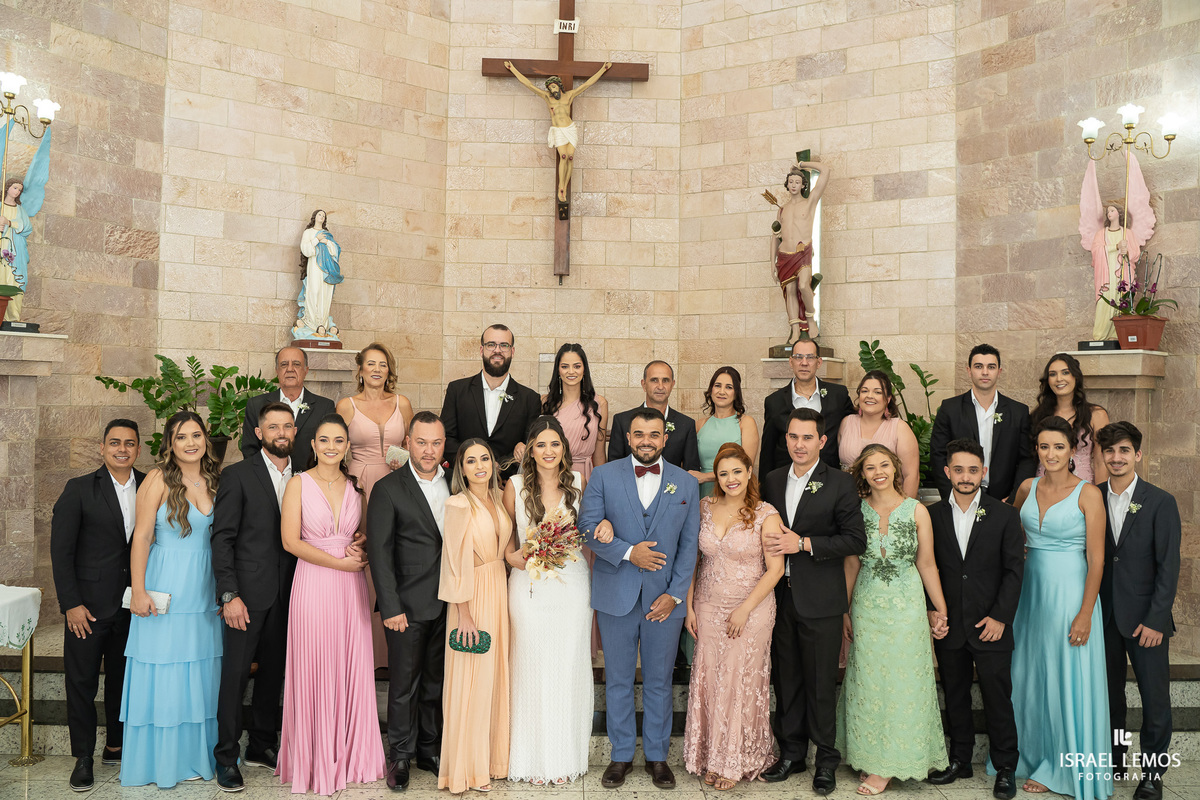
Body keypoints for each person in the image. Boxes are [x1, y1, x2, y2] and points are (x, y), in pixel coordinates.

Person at [581, 408, 700, 790]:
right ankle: (619, 756)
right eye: (638, 435)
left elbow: (689, 547)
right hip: (616, 595)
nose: (646, 441)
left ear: (665, 438)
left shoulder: (685, 483)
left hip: (664, 601)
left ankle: (657, 756)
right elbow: (587, 527)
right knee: (617, 679)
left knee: (660, 681)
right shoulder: (603, 475)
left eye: (653, 434)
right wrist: (630, 553)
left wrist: (676, 596)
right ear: (628, 438)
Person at [759, 408, 866, 795]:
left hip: (820, 598)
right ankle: (791, 753)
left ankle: (825, 760)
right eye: (792, 437)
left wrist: (803, 544)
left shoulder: (839, 483)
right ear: (785, 439)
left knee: (821, 682)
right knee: (786, 679)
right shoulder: (770, 480)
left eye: (807, 438)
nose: (799, 444)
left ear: (823, 441)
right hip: (778, 596)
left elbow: (856, 540)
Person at [276, 415, 385, 795]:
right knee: (317, 663)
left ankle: (353, 755)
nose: (331, 446)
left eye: (339, 440)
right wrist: (340, 562)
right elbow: (291, 541)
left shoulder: (358, 488)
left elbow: (364, 537)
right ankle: (314, 757)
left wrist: (362, 548)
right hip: (314, 583)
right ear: (313, 444)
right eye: (324, 439)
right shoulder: (297, 484)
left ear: (347, 446)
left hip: (353, 587)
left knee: (350, 665)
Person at [1009, 417, 1112, 799]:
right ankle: (1031, 755)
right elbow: (1012, 537)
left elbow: (1097, 560)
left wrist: (1085, 613)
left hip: (1071, 592)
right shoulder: (1025, 487)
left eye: (1058, 447)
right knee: (1030, 675)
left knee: (1065, 678)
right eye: (1043, 447)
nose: (1050, 454)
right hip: (1029, 592)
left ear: (1073, 450)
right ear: (1036, 449)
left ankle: (1063, 767)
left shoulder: (1088, 494)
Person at [837, 444, 949, 796]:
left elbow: (927, 562)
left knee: (903, 682)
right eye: (870, 467)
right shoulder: (857, 511)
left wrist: (940, 607)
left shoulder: (916, 510)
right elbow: (852, 562)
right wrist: (845, 608)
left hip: (906, 606)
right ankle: (872, 755)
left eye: (884, 464)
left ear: (895, 467)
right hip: (867, 604)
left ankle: (893, 763)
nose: (878, 471)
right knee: (869, 681)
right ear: (863, 474)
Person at [120, 411, 223, 788]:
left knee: (200, 671)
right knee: (165, 671)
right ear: (170, 442)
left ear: (205, 439)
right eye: (182, 437)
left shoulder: (215, 478)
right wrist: (139, 591)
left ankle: (198, 756)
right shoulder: (158, 479)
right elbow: (142, 537)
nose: (190, 443)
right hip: (165, 588)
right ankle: (160, 762)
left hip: (205, 589)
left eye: (196, 435)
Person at [926, 439, 1024, 799]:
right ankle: (960, 760)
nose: (965, 477)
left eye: (973, 470)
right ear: (948, 471)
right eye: (958, 469)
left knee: (998, 697)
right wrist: (932, 611)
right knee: (954, 695)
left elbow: (1015, 571)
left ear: (983, 473)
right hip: (950, 625)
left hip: (991, 625)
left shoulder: (1004, 515)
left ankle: (1005, 767)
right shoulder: (932, 515)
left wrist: (1000, 617)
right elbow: (926, 567)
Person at [682, 443, 783, 790]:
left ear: (749, 472)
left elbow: (775, 570)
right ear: (717, 477)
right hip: (708, 605)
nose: (730, 479)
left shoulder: (766, 514)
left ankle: (736, 761)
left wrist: (744, 609)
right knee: (711, 679)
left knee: (740, 682)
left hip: (751, 608)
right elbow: (695, 558)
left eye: (737, 472)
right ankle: (711, 755)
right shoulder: (704, 507)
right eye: (723, 473)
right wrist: (689, 604)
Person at [51, 420, 145, 792]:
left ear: (139, 449)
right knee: (81, 683)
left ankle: (115, 746)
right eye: (115, 443)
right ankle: (83, 757)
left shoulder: (151, 485)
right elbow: (61, 553)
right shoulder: (78, 490)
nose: (122, 449)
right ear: (102, 448)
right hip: (86, 609)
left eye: (130, 443)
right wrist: (71, 603)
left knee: (124, 681)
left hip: (131, 607)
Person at [210, 402, 298, 792]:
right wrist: (229, 594)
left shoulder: (306, 477)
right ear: (259, 433)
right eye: (273, 427)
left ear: (295, 432)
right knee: (234, 677)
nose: (281, 433)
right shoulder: (237, 475)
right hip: (246, 595)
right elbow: (222, 538)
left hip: (291, 594)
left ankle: (263, 744)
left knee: (274, 675)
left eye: (288, 426)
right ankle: (226, 756)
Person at [366, 412, 452, 791]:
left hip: (448, 602)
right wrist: (391, 606)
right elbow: (380, 555)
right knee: (403, 685)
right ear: (408, 442)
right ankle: (400, 754)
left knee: (436, 682)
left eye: (435, 443)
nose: (428, 450)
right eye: (421, 442)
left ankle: (430, 749)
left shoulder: (457, 485)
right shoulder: (388, 488)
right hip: (407, 605)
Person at [503, 417, 591, 785]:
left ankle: (564, 757)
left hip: (570, 586)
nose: (549, 451)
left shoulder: (580, 483)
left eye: (555, 444)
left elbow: (588, 532)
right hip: (529, 585)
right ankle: (533, 759)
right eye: (541, 444)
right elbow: (506, 537)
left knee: (568, 665)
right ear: (530, 449)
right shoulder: (514, 485)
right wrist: (512, 558)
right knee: (531, 664)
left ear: (564, 449)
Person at [1098, 423, 1180, 800]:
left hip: (1147, 619)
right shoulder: (1091, 496)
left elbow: (1169, 566)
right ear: (1102, 455)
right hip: (1104, 617)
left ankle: (1152, 773)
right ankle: (1115, 759)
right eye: (1110, 451)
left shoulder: (1160, 501)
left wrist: (1156, 619)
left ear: (1138, 455)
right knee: (1111, 698)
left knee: (1154, 698)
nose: (1116, 458)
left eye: (1124, 450)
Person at [438, 439, 514, 793]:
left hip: (500, 590)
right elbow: (453, 563)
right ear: (461, 468)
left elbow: (507, 551)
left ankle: (492, 761)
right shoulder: (457, 504)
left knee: (495, 676)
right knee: (472, 681)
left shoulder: (499, 500)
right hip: (471, 597)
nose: (480, 465)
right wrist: (463, 614)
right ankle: (467, 769)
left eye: (485, 458)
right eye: (471, 461)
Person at [930, 344, 1036, 502]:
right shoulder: (949, 409)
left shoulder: (1018, 412)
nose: (985, 372)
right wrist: (953, 496)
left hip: (1005, 499)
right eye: (978, 366)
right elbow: (938, 456)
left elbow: (1027, 459)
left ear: (999, 371)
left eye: (991, 367)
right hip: (960, 496)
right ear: (969, 370)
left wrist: (1014, 498)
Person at [502, 60, 613, 203]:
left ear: (559, 86)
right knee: (564, 156)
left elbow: (587, 84)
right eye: (550, 88)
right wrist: (512, 69)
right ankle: (561, 186)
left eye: (554, 86)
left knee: (571, 157)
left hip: (570, 128)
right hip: (558, 130)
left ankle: (565, 187)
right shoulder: (547, 97)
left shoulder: (570, 95)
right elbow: (528, 84)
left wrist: (603, 69)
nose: (552, 90)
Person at [441, 324, 541, 480]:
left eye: (504, 345)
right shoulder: (457, 390)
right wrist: (473, 464)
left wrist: (499, 466)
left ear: (512, 351)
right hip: (463, 483)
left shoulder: (530, 399)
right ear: (482, 350)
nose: (497, 350)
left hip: (508, 484)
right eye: (491, 345)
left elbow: (530, 444)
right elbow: (446, 438)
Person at [761, 337, 854, 475]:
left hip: (830, 479)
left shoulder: (838, 395)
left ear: (819, 362)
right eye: (798, 357)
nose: (804, 363)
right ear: (791, 362)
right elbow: (768, 451)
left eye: (810, 357)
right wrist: (765, 490)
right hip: (788, 479)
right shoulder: (774, 401)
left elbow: (855, 426)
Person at [338, 342, 414, 502]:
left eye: (383, 365)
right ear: (360, 369)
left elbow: (412, 442)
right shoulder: (346, 406)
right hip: (358, 479)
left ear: (389, 371)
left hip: (396, 478)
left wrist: (404, 463)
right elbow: (336, 448)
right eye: (371, 364)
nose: (377, 369)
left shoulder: (403, 403)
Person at [242, 346, 336, 471]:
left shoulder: (325, 407)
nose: (290, 369)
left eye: (296, 364)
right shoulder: (256, 405)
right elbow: (250, 449)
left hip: (310, 482)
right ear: (277, 370)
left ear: (306, 370)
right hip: (267, 482)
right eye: (284, 364)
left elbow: (328, 448)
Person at [838, 370, 920, 497]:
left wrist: (905, 512)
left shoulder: (899, 428)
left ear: (887, 399)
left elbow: (911, 475)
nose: (869, 396)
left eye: (877, 392)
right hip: (848, 502)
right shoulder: (846, 423)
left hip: (888, 504)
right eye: (865, 391)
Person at [0, 119, 51, 322]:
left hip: (16, 250)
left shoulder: (20, 210)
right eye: (15, 188)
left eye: (20, 190)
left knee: (15, 281)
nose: (18, 191)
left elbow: (27, 228)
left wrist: (10, 223)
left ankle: (13, 317)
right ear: (8, 187)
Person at [608, 360, 701, 471]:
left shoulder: (686, 424)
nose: (660, 386)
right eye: (654, 380)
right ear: (644, 384)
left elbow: (691, 472)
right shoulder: (622, 421)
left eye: (665, 380)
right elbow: (614, 468)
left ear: (672, 385)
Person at [1031, 353, 1110, 483]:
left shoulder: (1096, 415)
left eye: (1065, 372)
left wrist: (1100, 497)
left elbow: (1100, 462)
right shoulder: (1038, 415)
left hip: (1082, 488)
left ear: (1075, 377)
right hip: (1044, 485)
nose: (1059, 379)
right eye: (1052, 374)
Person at [773, 161, 830, 342]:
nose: (794, 185)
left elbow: (826, 170)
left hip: (802, 251)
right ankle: (795, 327)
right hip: (784, 255)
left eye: (798, 182)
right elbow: (775, 236)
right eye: (791, 182)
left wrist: (804, 164)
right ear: (787, 185)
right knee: (789, 290)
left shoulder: (810, 202)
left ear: (803, 185)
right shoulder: (782, 209)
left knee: (804, 285)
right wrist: (771, 263)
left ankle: (810, 318)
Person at [541, 342, 608, 480]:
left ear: (584, 370)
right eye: (565, 366)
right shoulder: (545, 402)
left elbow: (599, 453)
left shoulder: (599, 404)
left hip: (585, 474)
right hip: (552, 474)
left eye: (577, 366)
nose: (571, 371)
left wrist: (602, 486)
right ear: (558, 371)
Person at [691, 367, 760, 498]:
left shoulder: (746, 423)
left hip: (733, 490)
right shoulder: (700, 424)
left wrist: (705, 477)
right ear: (711, 390)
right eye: (718, 386)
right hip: (702, 492)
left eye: (729, 387)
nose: (722, 391)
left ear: (736, 393)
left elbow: (746, 466)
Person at [293, 209, 344, 339]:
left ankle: (322, 324)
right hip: (315, 266)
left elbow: (335, 250)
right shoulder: (309, 233)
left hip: (326, 269)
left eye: (323, 215)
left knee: (324, 293)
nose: (321, 216)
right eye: (319, 214)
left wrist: (326, 242)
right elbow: (306, 249)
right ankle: (310, 323)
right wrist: (316, 240)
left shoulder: (327, 234)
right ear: (315, 217)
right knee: (314, 291)